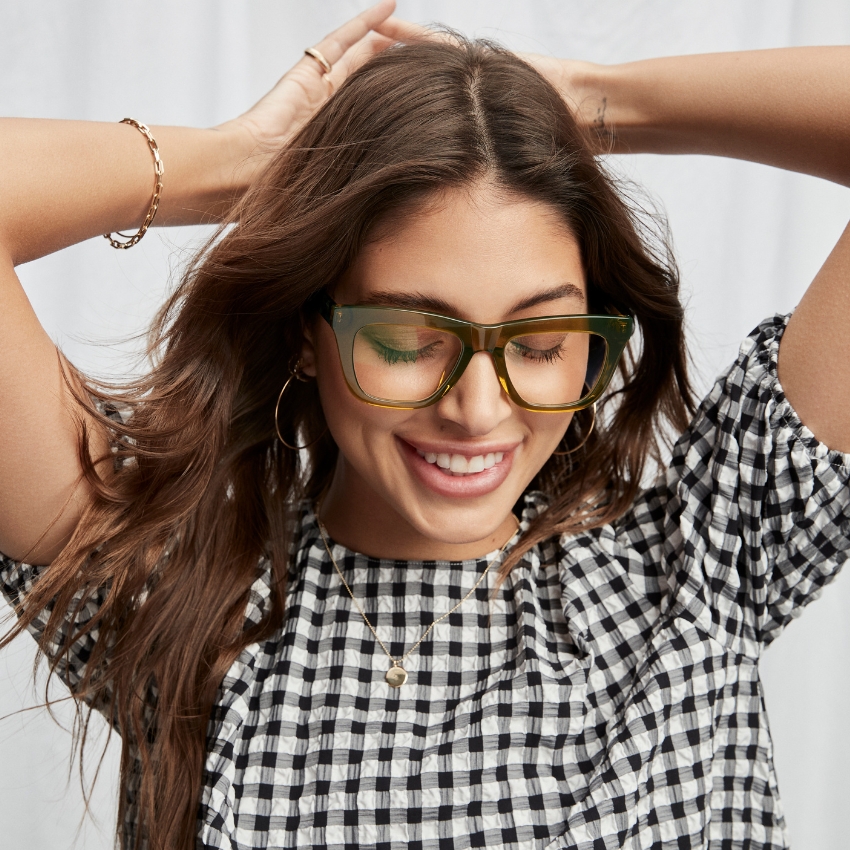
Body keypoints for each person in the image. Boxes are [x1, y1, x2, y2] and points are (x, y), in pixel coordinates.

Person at [1, 1, 848, 848]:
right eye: (409, 339)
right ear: (308, 332)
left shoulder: (702, 568)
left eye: (542, 341)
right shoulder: (179, 598)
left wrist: (592, 103)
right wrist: (237, 166)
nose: (478, 409)